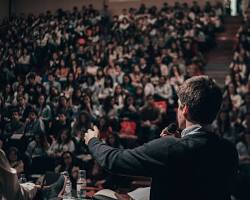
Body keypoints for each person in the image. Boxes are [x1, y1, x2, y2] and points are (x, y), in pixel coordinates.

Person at [84, 76, 239, 200]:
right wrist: (179, 140)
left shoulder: (169, 148)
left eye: (178, 105)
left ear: (184, 109)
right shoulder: (228, 150)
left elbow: (114, 161)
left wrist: (93, 140)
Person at [0, 148, 66, 200]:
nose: (13, 156)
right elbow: (14, 193)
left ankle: (44, 189)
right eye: (11, 154)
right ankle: (44, 190)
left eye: (14, 154)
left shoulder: (18, 163)